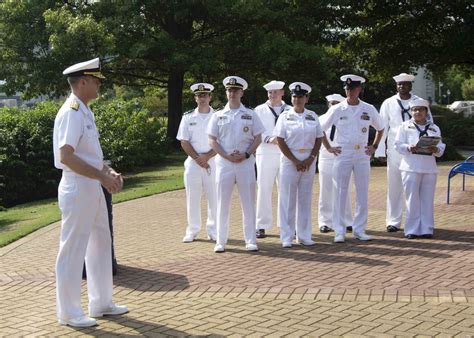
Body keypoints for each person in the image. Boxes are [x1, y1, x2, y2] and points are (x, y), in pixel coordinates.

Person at [53, 58, 128, 328]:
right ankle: (69, 312)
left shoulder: (85, 111)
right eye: (96, 80)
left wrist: (108, 171)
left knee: (99, 242)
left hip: (91, 184)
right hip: (77, 185)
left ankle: (101, 302)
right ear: (82, 82)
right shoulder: (72, 111)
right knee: (73, 249)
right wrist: (101, 176)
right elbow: (67, 156)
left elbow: (90, 155)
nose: (99, 85)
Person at [320, 74, 384, 243]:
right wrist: (328, 147)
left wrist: (375, 146)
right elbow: (320, 129)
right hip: (343, 152)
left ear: (359, 90)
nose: (349, 91)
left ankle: (359, 229)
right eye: (347, 89)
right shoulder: (337, 108)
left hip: (362, 153)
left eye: (353, 88)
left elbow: (381, 128)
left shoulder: (368, 108)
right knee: (340, 192)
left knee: (362, 192)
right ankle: (339, 230)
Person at [207, 76, 264, 253]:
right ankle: (221, 241)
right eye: (229, 90)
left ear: (241, 92)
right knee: (222, 202)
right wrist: (225, 155)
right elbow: (211, 139)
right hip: (224, 164)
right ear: (226, 92)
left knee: (248, 202)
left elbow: (258, 137)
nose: (232, 93)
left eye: (235, 90)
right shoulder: (218, 115)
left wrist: (247, 153)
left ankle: (250, 240)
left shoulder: (251, 114)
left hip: (245, 163)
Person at [375, 73, 432, 233]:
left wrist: (428, 147)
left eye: (405, 84)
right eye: (400, 85)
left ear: (410, 86)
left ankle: (417, 221)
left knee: (415, 187)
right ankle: (393, 220)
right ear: (396, 86)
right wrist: (380, 150)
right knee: (394, 185)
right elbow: (382, 127)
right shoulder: (389, 103)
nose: (402, 87)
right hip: (395, 149)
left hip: (417, 150)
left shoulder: (419, 102)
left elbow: (430, 124)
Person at [274, 82, 324, 248]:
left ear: (306, 98)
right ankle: (287, 236)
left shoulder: (312, 116)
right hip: (290, 160)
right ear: (291, 98)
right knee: (287, 199)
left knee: (305, 198)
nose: (297, 99)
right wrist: (295, 160)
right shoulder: (285, 116)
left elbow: (319, 137)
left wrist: (311, 157)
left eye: (301, 96)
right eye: (295, 96)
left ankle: (304, 235)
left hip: (308, 159)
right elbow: (280, 139)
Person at [394, 98, 445, 239]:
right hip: (410, 167)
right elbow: (397, 145)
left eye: (420, 110)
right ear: (411, 112)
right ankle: (411, 229)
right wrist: (409, 147)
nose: (417, 112)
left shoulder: (434, 128)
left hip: (429, 168)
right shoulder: (404, 126)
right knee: (412, 199)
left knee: (427, 199)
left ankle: (427, 229)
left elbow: (441, 148)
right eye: (415, 110)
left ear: (426, 112)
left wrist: (436, 149)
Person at [176, 83, 217, 242]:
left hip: (213, 161)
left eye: (205, 95)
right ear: (195, 98)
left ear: (210, 97)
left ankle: (213, 230)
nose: (202, 98)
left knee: (214, 197)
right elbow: (184, 141)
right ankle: (192, 230)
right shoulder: (188, 117)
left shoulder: (217, 116)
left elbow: (221, 141)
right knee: (192, 198)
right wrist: (198, 158)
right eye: (199, 95)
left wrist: (207, 156)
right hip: (193, 162)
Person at [254, 80, 289, 239]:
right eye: (270, 92)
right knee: (264, 188)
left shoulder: (289, 110)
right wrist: (268, 138)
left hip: (285, 152)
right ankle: (261, 225)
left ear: (282, 92)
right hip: (265, 152)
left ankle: (286, 224)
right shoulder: (259, 110)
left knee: (285, 189)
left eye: (275, 92)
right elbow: (254, 131)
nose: (272, 95)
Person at [318, 94, 353, 233]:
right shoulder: (320, 119)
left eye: (337, 103)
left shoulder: (348, 119)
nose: (334, 106)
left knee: (345, 189)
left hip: (343, 156)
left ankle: (347, 220)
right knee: (325, 190)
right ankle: (325, 221)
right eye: (332, 103)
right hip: (326, 157)